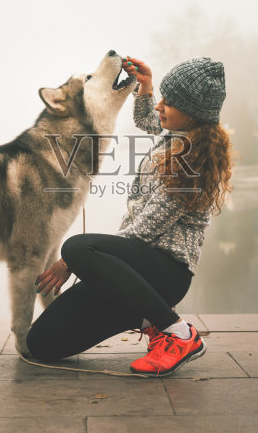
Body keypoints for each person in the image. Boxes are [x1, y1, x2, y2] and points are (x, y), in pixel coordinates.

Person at [26, 55, 233, 377]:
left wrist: (72, 262)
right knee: (42, 344)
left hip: (165, 271)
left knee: (77, 247)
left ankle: (179, 334)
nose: (161, 106)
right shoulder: (178, 136)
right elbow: (151, 121)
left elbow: (145, 230)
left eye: (170, 102)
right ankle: (149, 320)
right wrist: (145, 88)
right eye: (163, 98)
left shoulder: (191, 162)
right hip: (134, 271)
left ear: (191, 114)